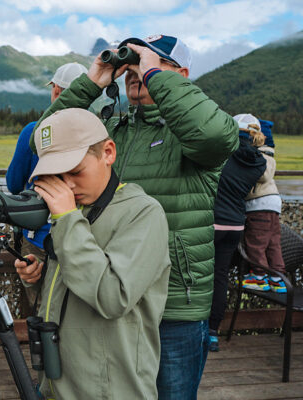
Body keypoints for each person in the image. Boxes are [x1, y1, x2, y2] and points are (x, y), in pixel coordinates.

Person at [33, 35, 238, 399]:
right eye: (131, 67)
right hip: (107, 291)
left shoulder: (190, 139)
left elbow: (214, 133)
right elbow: (48, 141)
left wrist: (153, 75)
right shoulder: (113, 129)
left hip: (175, 300)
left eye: (152, 62)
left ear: (182, 75)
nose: (135, 73)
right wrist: (92, 82)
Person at [14, 108, 170, 399]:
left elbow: (113, 297)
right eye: (56, 176)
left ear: (108, 152)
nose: (68, 185)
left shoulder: (143, 213)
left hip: (111, 388)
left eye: (75, 171)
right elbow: (75, 279)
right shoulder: (75, 210)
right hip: (59, 380)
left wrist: (68, 219)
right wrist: (38, 274)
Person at [6, 62, 88, 260]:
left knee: (37, 287)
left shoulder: (33, 131)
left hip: (38, 236)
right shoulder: (97, 131)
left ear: (56, 91)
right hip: (82, 235)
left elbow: (14, 183)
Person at [208, 113, 267, 352]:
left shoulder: (223, 153)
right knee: (221, 276)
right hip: (235, 225)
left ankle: (195, 327)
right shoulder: (259, 162)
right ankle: (213, 332)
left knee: (200, 275)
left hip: (211, 221)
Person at [240, 114, 286, 293]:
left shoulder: (262, 155)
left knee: (256, 242)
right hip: (272, 203)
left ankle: (258, 277)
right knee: (273, 243)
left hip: (259, 205)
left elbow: (263, 175)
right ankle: (277, 278)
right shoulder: (270, 154)